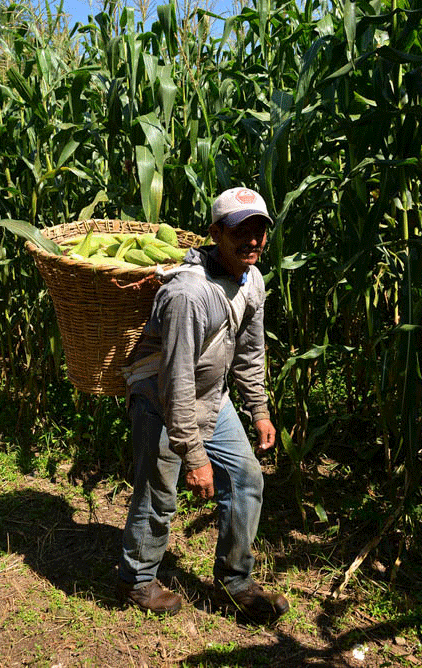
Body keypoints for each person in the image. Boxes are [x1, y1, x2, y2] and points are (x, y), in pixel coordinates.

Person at [116, 187, 289, 623]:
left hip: (211, 396)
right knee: (160, 493)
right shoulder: (190, 295)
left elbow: (250, 354)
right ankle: (138, 581)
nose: (252, 240)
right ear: (215, 233)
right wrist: (194, 456)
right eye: (240, 230)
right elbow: (175, 384)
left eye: (259, 230)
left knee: (246, 477)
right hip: (161, 399)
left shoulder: (253, 280)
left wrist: (260, 412)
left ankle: (235, 582)